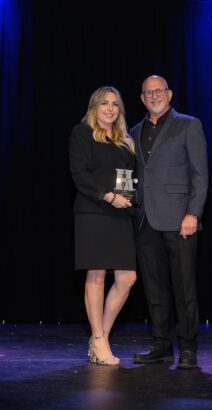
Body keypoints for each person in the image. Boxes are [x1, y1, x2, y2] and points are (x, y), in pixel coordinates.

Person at [130, 75, 208, 369]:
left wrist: (193, 213)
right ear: (141, 98)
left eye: (159, 90)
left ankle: (188, 348)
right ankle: (162, 345)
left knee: (185, 287)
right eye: (148, 92)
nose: (154, 96)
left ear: (170, 94)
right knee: (154, 287)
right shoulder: (135, 131)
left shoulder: (189, 124)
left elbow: (200, 174)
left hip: (180, 220)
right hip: (145, 221)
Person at [70, 86, 137, 366]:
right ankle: (98, 340)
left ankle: (101, 336)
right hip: (94, 212)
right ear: (94, 107)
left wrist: (129, 198)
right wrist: (108, 196)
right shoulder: (82, 132)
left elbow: (129, 178)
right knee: (96, 277)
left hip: (121, 215)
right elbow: (79, 173)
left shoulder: (125, 140)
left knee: (127, 278)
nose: (110, 108)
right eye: (104, 103)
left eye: (115, 104)